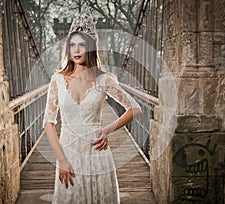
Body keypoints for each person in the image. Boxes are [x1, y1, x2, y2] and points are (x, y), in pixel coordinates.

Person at [43, 10, 142, 204]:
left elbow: (135, 108)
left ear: (90, 48)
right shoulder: (57, 80)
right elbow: (48, 122)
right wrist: (62, 160)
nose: (77, 50)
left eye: (82, 45)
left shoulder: (104, 80)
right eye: (72, 45)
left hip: (97, 153)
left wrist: (106, 130)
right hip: (69, 153)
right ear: (68, 49)